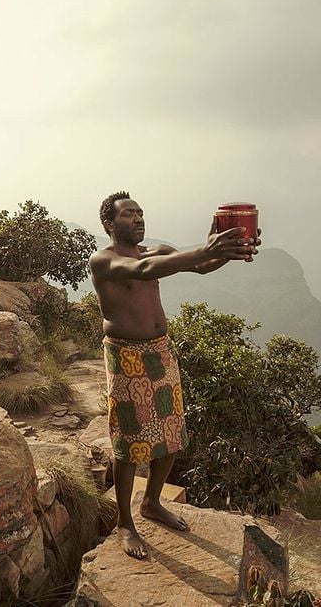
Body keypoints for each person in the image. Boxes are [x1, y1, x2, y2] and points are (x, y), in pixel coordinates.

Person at [88, 191, 261, 559]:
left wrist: (227, 251)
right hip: (126, 356)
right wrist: (205, 249)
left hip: (160, 351)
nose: (138, 219)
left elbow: (199, 266)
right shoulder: (103, 260)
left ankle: (151, 502)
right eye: (128, 214)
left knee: (170, 433)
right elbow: (143, 272)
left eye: (140, 213)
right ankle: (125, 523)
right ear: (109, 224)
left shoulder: (157, 251)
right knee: (130, 440)